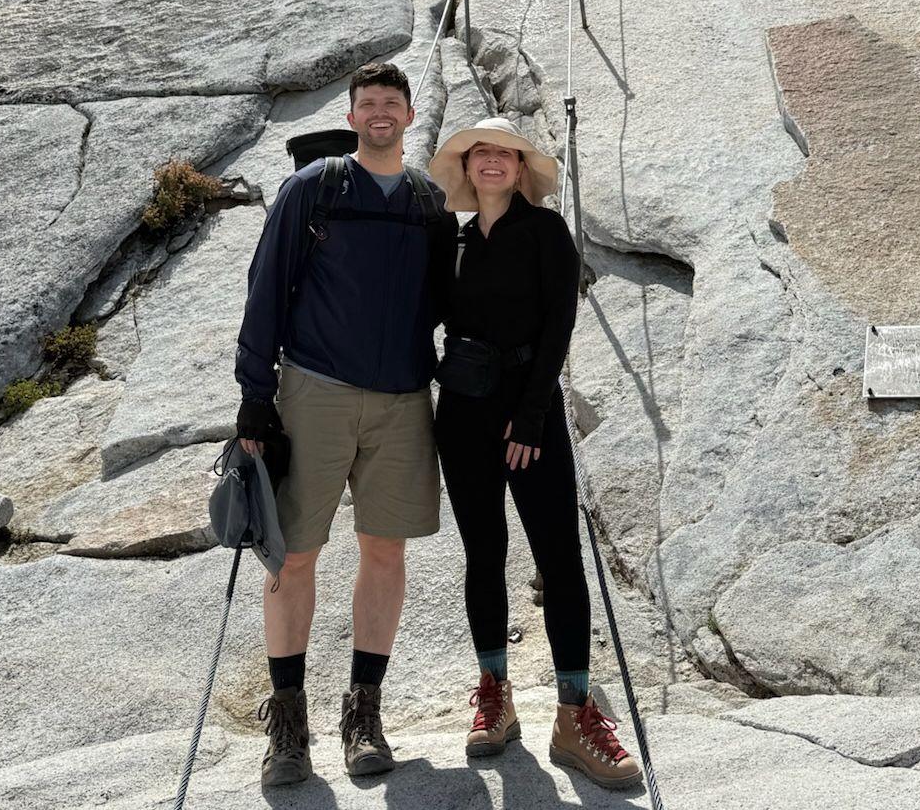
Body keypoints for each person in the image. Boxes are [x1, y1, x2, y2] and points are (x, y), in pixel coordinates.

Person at [235, 62, 456, 787]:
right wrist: (253, 394)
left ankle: (363, 713)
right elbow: (265, 287)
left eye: (392, 102)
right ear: (354, 115)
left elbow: (450, 302)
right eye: (369, 104)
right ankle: (288, 725)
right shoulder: (313, 189)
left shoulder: (429, 203)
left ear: (411, 113)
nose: (381, 113)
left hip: (401, 400)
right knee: (293, 555)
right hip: (315, 391)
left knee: (384, 552)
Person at [426, 116, 643, 790]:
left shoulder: (546, 232)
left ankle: (574, 713)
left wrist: (531, 415)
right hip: (462, 413)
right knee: (483, 554)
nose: (490, 162)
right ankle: (496, 694)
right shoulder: (451, 240)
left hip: (530, 416)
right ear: (466, 169)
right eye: (478, 152)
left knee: (559, 558)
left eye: (504, 154)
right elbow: (422, 316)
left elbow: (559, 324)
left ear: (521, 170)